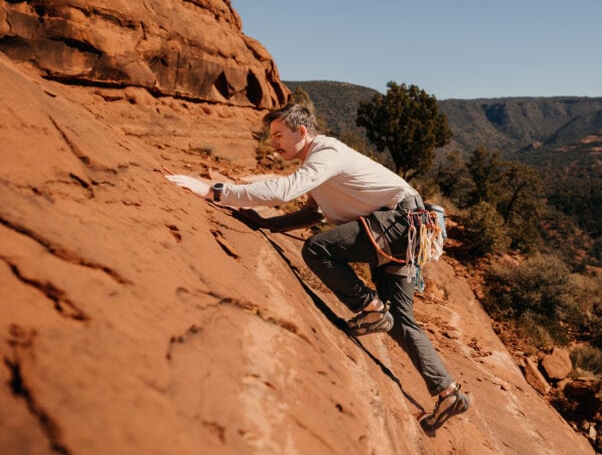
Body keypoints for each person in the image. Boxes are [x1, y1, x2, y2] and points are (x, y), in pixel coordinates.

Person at [166, 103, 470, 430]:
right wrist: (268, 224)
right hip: (406, 232)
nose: (274, 143)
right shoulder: (320, 163)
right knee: (400, 318)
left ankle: (370, 309)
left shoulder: (326, 152)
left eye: (279, 135)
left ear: (302, 131)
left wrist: (216, 191)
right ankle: (448, 393)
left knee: (318, 249)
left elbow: (285, 190)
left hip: (398, 225)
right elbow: (314, 213)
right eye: (271, 137)